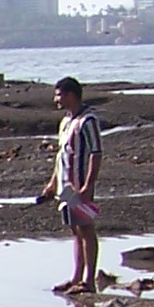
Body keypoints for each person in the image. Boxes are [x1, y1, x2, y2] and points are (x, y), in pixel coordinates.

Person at [36, 76, 103, 295]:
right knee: (75, 230)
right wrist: (52, 184)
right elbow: (61, 156)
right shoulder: (65, 122)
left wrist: (88, 185)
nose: (56, 100)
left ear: (71, 95)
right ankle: (76, 278)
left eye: (59, 95)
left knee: (86, 228)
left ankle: (89, 281)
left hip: (79, 184)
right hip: (65, 187)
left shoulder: (88, 120)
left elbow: (96, 153)